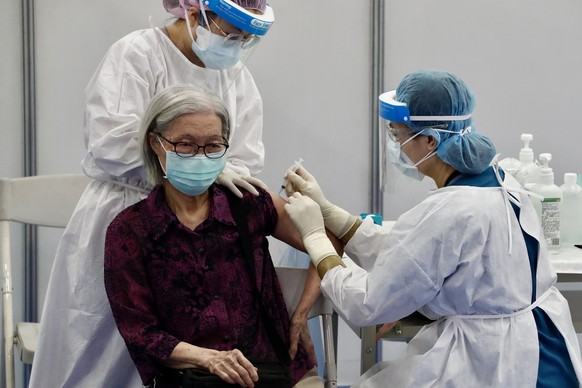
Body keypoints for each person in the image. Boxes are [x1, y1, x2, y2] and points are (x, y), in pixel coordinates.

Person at [30, 1, 322, 386]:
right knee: (101, 354)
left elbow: (248, 166)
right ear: (195, 13)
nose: (237, 46)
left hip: (201, 225)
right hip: (128, 208)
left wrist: (219, 175)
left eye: (247, 39)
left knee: (199, 345)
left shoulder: (237, 78)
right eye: (231, 33)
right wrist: (200, 172)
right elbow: (110, 140)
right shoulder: (138, 54)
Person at [283, 70, 582, 387]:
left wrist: (316, 237)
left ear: (429, 140)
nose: (396, 145)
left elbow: (366, 303)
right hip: (543, 345)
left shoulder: (449, 211)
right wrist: (332, 214)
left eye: (398, 136)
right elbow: (418, 252)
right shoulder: (501, 181)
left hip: (492, 363)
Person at [104, 84, 322, 387]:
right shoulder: (131, 230)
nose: (200, 156)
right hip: (191, 379)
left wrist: (301, 312)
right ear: (156, 143)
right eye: (186, 144)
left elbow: (325, 242)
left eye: (213, 145)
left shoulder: (248, 203)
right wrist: (208, 358)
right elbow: (141, 332)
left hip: (275, 373)